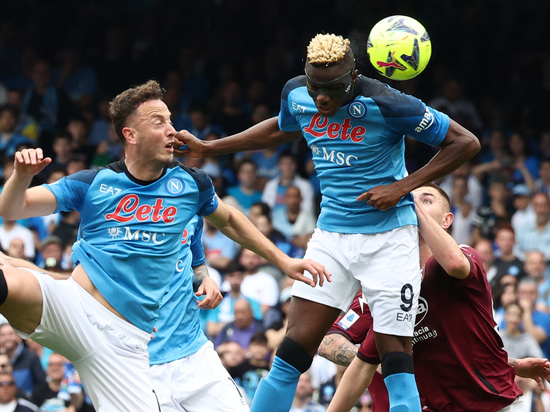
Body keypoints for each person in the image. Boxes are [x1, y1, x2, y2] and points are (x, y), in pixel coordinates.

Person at [176, 33, 480, 412]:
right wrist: (209, 147)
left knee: (396, 360)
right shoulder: (296, 93)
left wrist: (402, 186)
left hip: (390, 238)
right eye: (314, 87)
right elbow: (282, 127)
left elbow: (465, 142)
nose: (321, 98)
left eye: (332, 88)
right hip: (332, 237)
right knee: (291, 351)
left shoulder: (388, 102)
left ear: (353, 77)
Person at [0, 80, 329, 411]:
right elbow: (13, 208)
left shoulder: (190, 186)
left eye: (171, 120)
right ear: (130, 135)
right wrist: (21, 176)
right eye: (159, 122)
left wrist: (281, 261)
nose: (173, 130)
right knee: (10, 279)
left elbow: (227, 221)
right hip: (95, 324)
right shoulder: (94, 183)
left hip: (163, 349)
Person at [325, 184, 546, 412]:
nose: (410, 204)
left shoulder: (464, 255)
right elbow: (361, 362)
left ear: (446, 220)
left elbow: (454, 263)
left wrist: (410, 201)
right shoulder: (390, 289)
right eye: (408, 200)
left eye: (426, 200)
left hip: (495, 405)